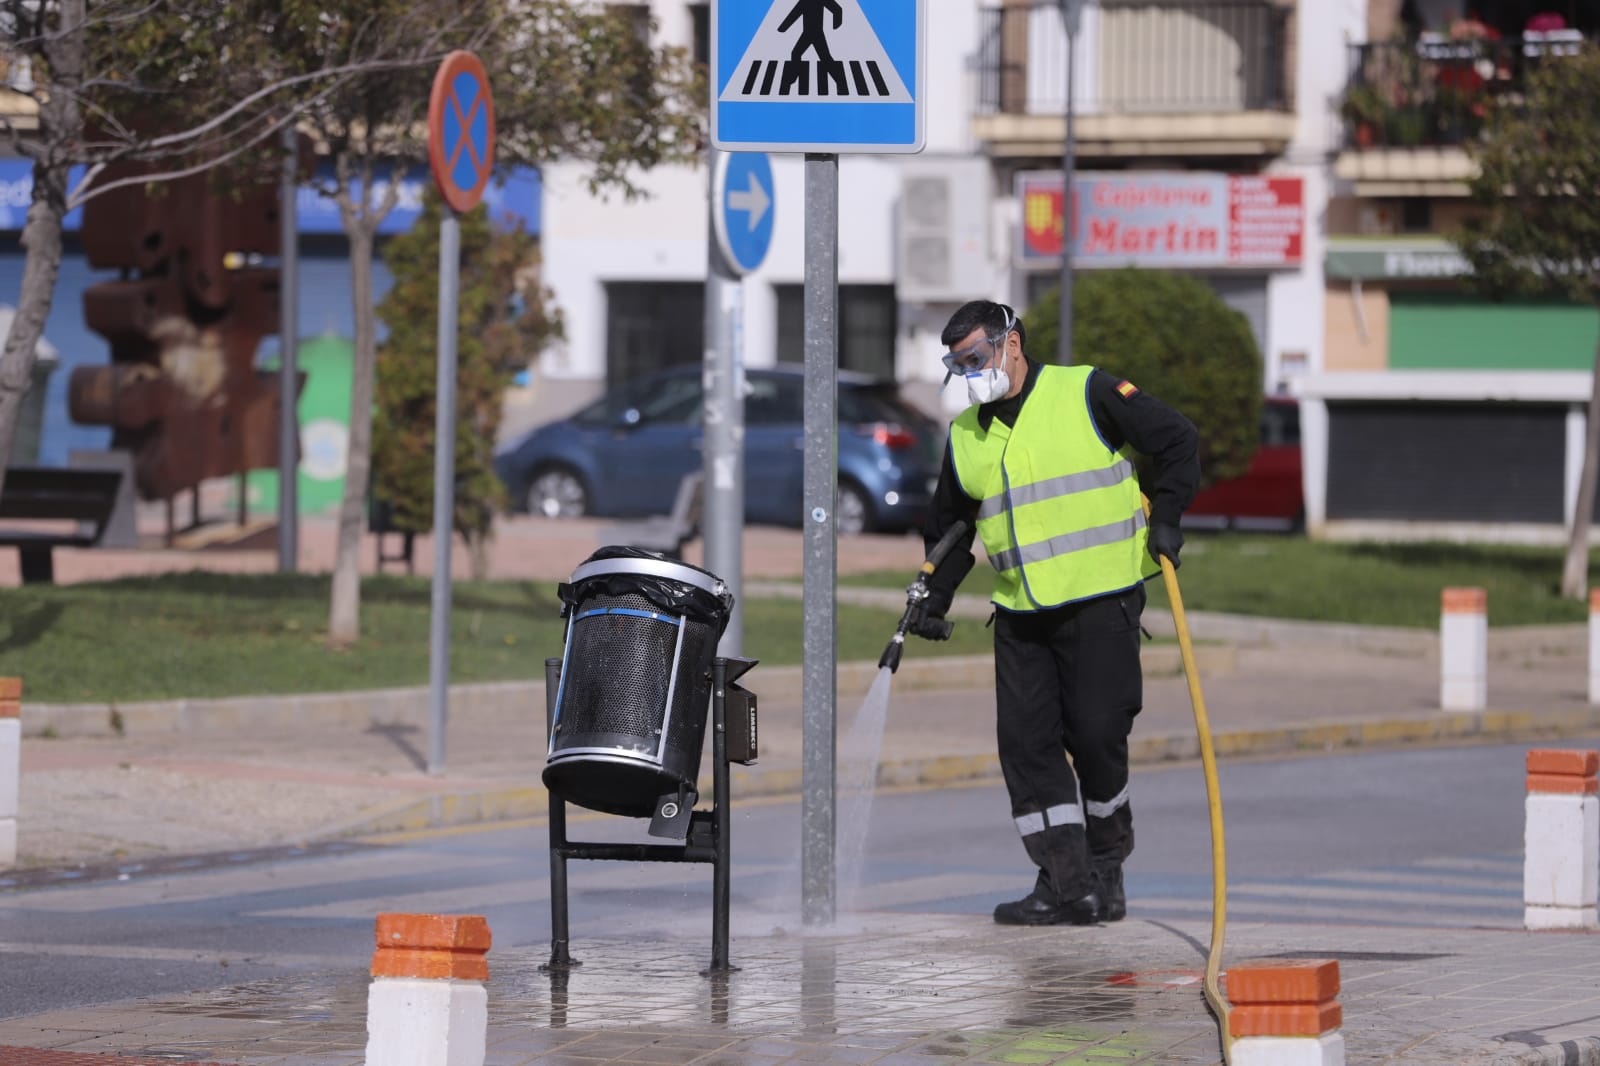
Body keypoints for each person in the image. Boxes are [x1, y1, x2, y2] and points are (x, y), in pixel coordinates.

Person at [910, 300, 1200, 926]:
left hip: (1102, 600)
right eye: (957, 365)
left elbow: (1178, 441)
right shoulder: (966, 437)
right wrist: (933, 598)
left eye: (975, 358)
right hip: (1021, 614)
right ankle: (1065, 884)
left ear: (1011, 343)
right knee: (1026, 747)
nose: (968, 373)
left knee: (1097, 740)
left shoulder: (1086, 391)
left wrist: (1169, 519)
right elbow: (951, 529)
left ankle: (1105, 866)